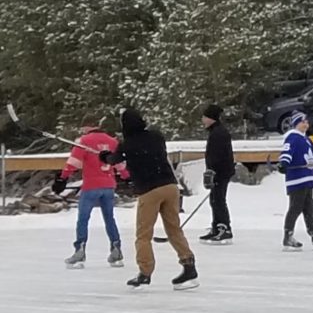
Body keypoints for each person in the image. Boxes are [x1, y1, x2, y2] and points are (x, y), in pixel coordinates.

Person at [101, 109, 197, 290]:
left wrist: (104, 156)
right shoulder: (156, 136)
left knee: (143, 235)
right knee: (174, 229)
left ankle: (145, 273)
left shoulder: (127, 144)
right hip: (170, 186)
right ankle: (188, 265)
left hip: (149, 190)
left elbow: (114, 160)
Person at [58, 118, 125, 269]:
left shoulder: (84, 141)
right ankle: (116, 249)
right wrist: (127, 177)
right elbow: (119, 163)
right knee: (109, 218)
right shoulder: (112, 141)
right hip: (108, 185)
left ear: (87, 127)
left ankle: (80, 251)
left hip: (91, 186)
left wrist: (63, 177)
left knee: (83, 219)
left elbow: (73, 162)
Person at [279, 111, 313, 252]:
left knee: (309, 209)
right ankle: (287, 236)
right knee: (295, 208)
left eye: (307, 122)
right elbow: (286, 153)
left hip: (308, 178)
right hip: (297, 179)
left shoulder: (306, 139)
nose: (306, 124)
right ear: (296, 124)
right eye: (303, 122)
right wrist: (283, 163)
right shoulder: (292, 138)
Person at [198, 105, 236, 244]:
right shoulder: (215, 131)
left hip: (220, 172)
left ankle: (224, 228)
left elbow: (218, 155)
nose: (202, 119)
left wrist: (212, 171)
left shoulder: (219, 133)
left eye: (205, 116)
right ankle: (217, 226)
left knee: (218, 199)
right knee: (214, 199)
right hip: (218, 171)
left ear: (211, 118)